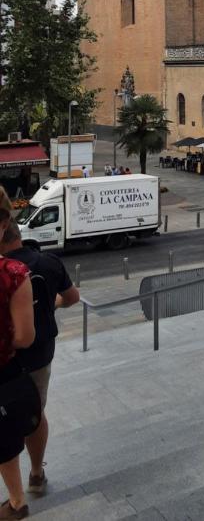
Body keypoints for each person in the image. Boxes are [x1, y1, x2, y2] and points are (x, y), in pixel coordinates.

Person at [1, 221, 80, 498]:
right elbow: (72, 297)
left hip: (5, 359)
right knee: (35, 413)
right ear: (19, 236)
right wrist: (52, 303)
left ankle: (15, 494)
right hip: (39, 356)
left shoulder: (5, 271)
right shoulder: (48, 263)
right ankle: (36, 474)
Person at [0, 187, 37, 520]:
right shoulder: (13, 275)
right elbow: (25, 337)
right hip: (2, 373)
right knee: (5, 442)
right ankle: (15, 502)